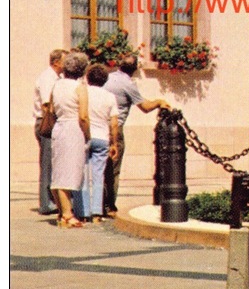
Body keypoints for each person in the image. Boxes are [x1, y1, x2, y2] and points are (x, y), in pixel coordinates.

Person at [103, 54, 169, 216]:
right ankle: (109, 206)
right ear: (135, 69)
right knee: (113, 169)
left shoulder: (108, 78)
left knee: (99, 168)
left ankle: (95, 205)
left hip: (98, 126)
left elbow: (136, 98)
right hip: (114, 129)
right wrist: (159, 101)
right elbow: (145, 107)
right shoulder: (128, 84)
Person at [50, 51, 91, 227]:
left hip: (59, 126)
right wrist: (87, 134)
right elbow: (83, 116)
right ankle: (67, 214)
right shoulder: (79, 87)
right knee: (70, 171)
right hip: (73, 128)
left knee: (59, 170)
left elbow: (51, 110)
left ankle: (62, 212)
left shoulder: (57, 85)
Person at [76, 64, 120, 223]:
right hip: (102, 137)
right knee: (98, 176)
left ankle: (83, 211)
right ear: (105, 80)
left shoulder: (83, 92)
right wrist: (114, 143)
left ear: (88, 78)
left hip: (84, 135)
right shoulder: (110, 97)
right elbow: (114, 123)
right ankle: (96, 212)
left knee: (82, 174)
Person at [33, 48, 67, 214]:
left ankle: (52, 201)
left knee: (53, 163)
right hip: (47, 122)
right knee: (47, 164)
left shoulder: (56, 77)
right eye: (64, 61)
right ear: (56, 62)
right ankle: (46, 203)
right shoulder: (48, 78)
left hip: (51, 122)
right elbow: (47, 104)